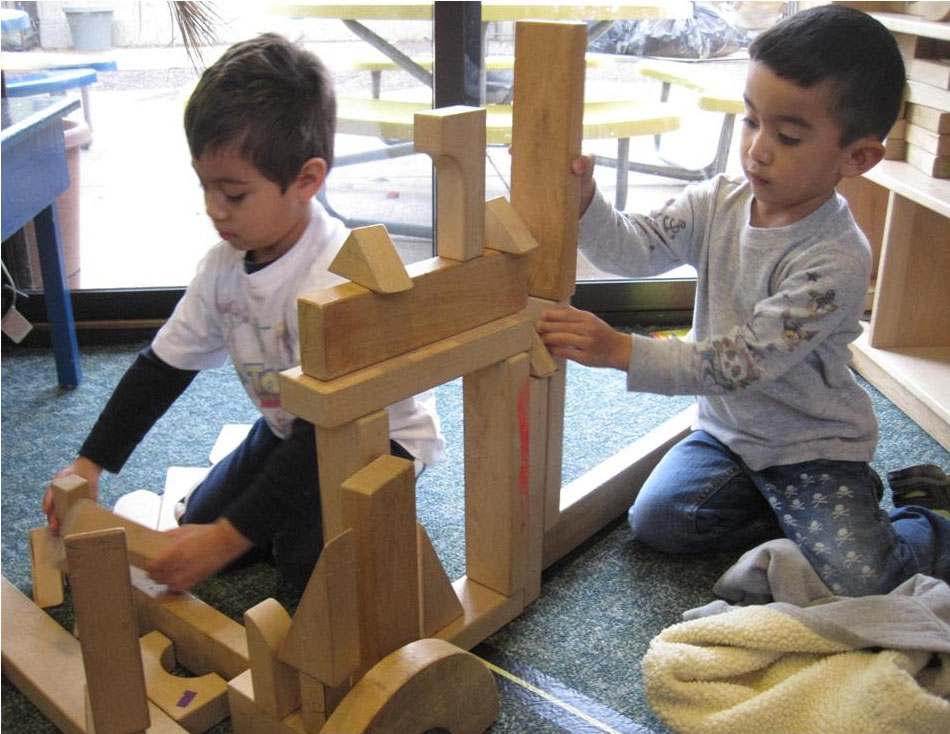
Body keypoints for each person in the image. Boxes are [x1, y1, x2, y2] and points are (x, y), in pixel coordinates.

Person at [536, 5, 950, 596]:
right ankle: (809, 520)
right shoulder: (717, 202)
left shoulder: (834, 261)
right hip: (728, 435)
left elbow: (739, 363)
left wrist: (623, 351)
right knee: (660, 522)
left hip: (812, 448)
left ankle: (926, 523)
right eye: (751, 120)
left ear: (856, 158)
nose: (756, 149)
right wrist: (586, 203)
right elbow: (637, 249)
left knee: (863, 580)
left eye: (787, 136)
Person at [42, 33, 444, 592]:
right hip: (291, 427)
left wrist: (230, 537)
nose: (213, 209)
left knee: (306, 559)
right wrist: (90, 463)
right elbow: (160, 370)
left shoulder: (337, 277)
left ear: (307, 180)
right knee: (196, 522)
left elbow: (326, 431)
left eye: (233, 194)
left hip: (377, 438)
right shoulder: (222, 267)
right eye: (206, 186)